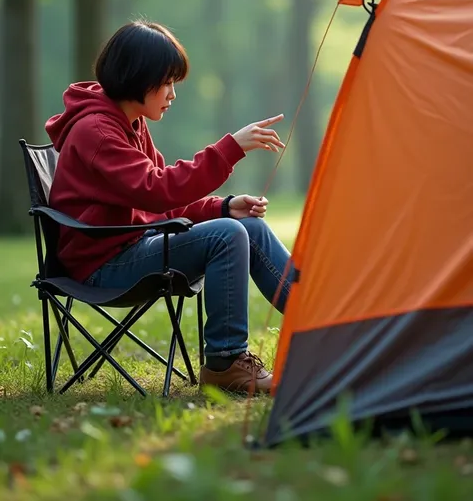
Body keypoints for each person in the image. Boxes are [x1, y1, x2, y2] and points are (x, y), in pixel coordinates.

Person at [45, 20, 294, 394]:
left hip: (130, 245)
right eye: (166, 82)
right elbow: (157, 191)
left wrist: (222, 206)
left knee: (248, 227)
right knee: (226, 236)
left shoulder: (129, 123)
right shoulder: (97, 132)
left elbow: (161, 196)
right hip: (102, 266)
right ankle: (226, 362)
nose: (173, 94)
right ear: (137, 77)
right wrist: (231, 148)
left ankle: (320, 320)